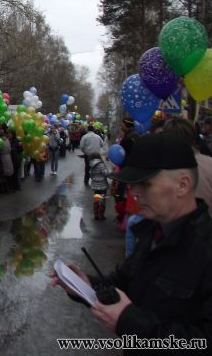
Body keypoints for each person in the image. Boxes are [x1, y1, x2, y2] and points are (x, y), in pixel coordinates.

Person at [51, 134, 212, 345]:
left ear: (182, 185)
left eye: (145, 184)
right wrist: (87, 285)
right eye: (134, 184)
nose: (134, 192)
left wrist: (129, 321)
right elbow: (123, 281)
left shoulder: (205, 249)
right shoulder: (150, 232)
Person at [88, 152, 109, 220]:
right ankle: (101, 215)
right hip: (102, 185)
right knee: (102, 200)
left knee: (96, 200)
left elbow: (90, 174)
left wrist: (94, 179)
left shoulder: (91, 165)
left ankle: (96, 215)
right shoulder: (101, 164)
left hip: (95, 185)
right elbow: (105, 173)